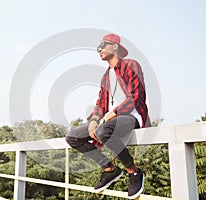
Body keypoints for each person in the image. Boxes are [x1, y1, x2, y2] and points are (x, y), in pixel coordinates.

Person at [65, 33, 151, 199]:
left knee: (103, 131)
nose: (99, 50)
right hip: (107, 120)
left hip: (132, 115)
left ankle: (134, 171)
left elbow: (136, 96)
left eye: (102, 45)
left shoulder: (131, 65)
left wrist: (110, 116)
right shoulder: (105, 77)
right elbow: (100, 103)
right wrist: (94, 121)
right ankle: (109, 169)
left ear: (115, 46)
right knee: (73, 136)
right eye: (98, 48)